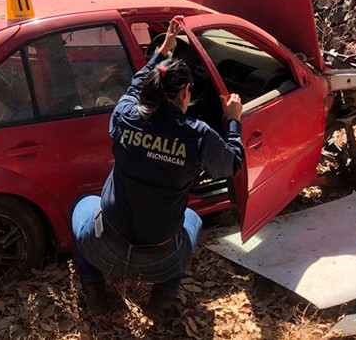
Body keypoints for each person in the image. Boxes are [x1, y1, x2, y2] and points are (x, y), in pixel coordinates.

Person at [70, 17, 245, 320]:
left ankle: (94, 289)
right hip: (159, 261)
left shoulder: (124, 114)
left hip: (104, 247)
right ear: (187, 92)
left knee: (82, 205)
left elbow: (134, 85)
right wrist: (233, 120)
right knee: (191, 217)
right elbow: (232, 163)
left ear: (152, 87)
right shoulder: (198, 134)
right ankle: (162, 297)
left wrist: (161, 53)